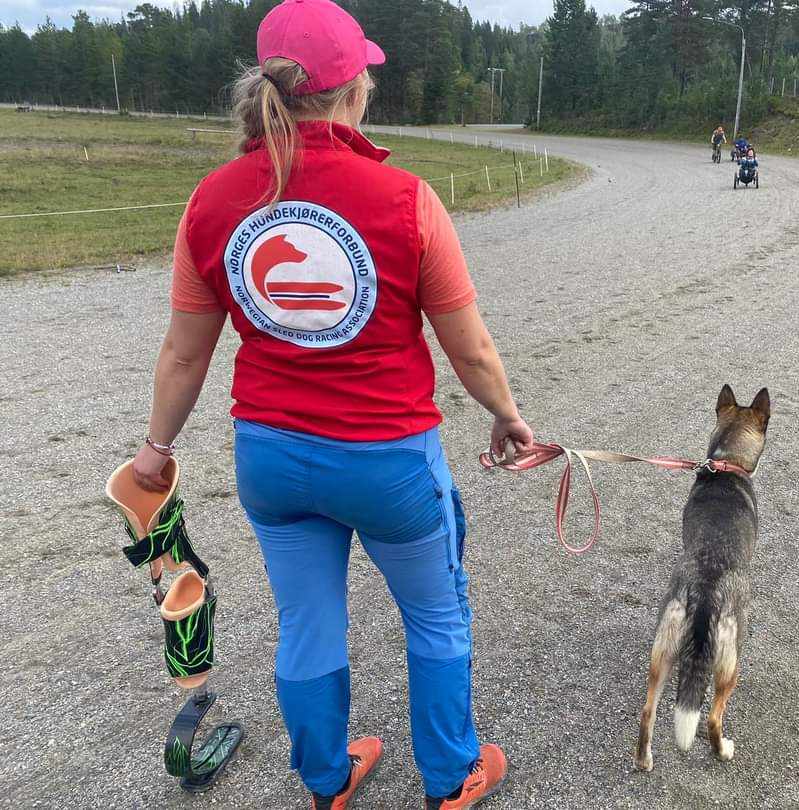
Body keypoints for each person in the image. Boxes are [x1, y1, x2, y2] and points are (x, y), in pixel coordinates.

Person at [129, 0, 533, 808]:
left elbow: (184, 351)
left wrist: (155, 449)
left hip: (272, 459)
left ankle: (326, 780)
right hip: (386, 459)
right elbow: (471, 348)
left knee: (308, 624)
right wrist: (506, 414)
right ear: (353, 92)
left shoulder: (210, 201)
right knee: (436, 617)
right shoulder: (406, 198)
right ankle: (451, 777)